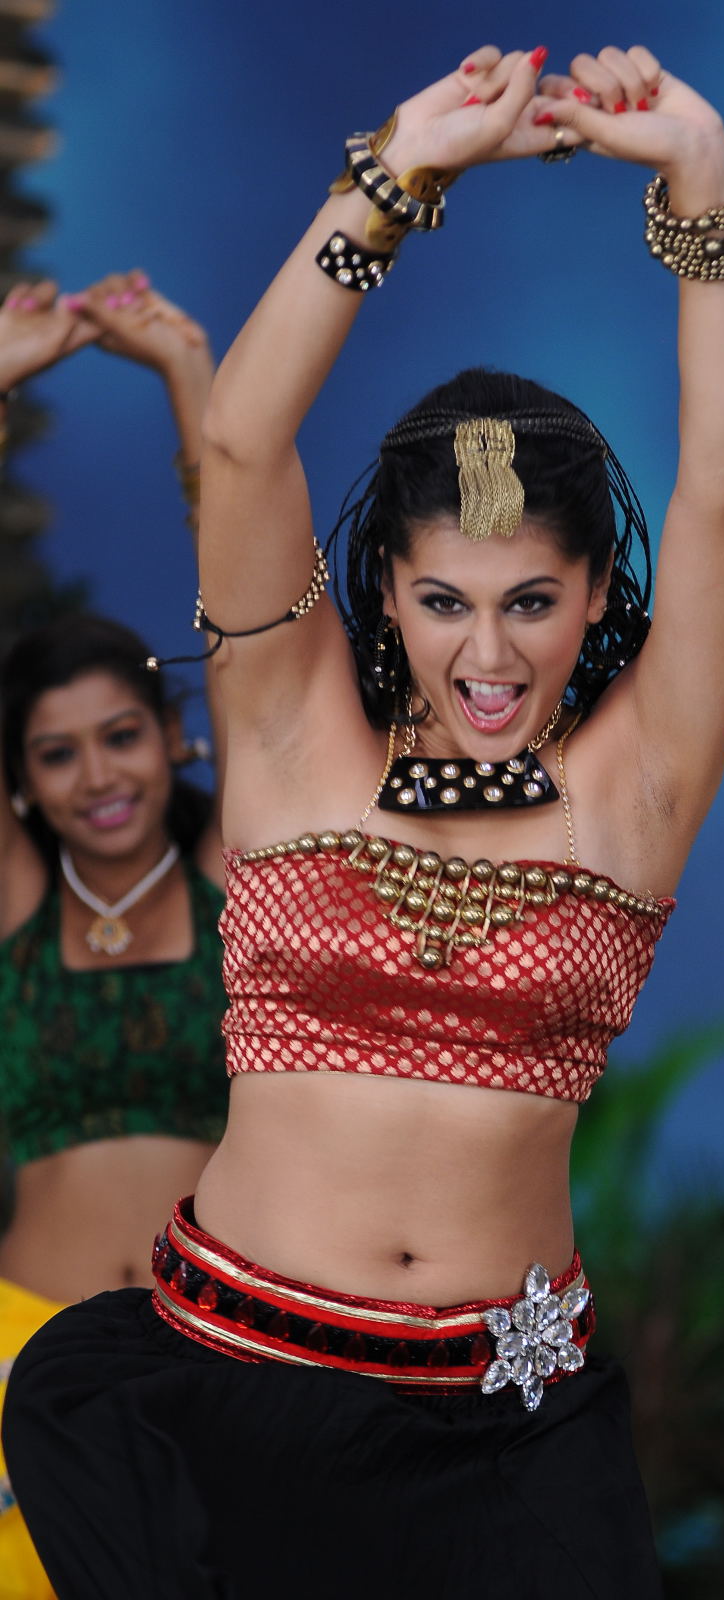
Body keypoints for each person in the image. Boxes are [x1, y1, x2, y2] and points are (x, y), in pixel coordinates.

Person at [3, 42, 724, 1599]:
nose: (487, 654)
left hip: (503, 1450)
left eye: (530, 602)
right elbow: (239, 443)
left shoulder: (638, 785)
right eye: (442, 602)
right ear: (382, 591)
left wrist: (700, 185)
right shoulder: (287, 733)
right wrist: (397, 172)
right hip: (226, 1403)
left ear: (596, 598)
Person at [0, 277, 228, 1597]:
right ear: (24, 786)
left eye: (123, 735)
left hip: (210, 1369)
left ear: (174, 738)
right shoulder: (18, 912)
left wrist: (188, 373)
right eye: (57, 753)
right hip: (15, 1368)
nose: (98, 776)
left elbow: (253, 626)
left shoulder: (233, 882)